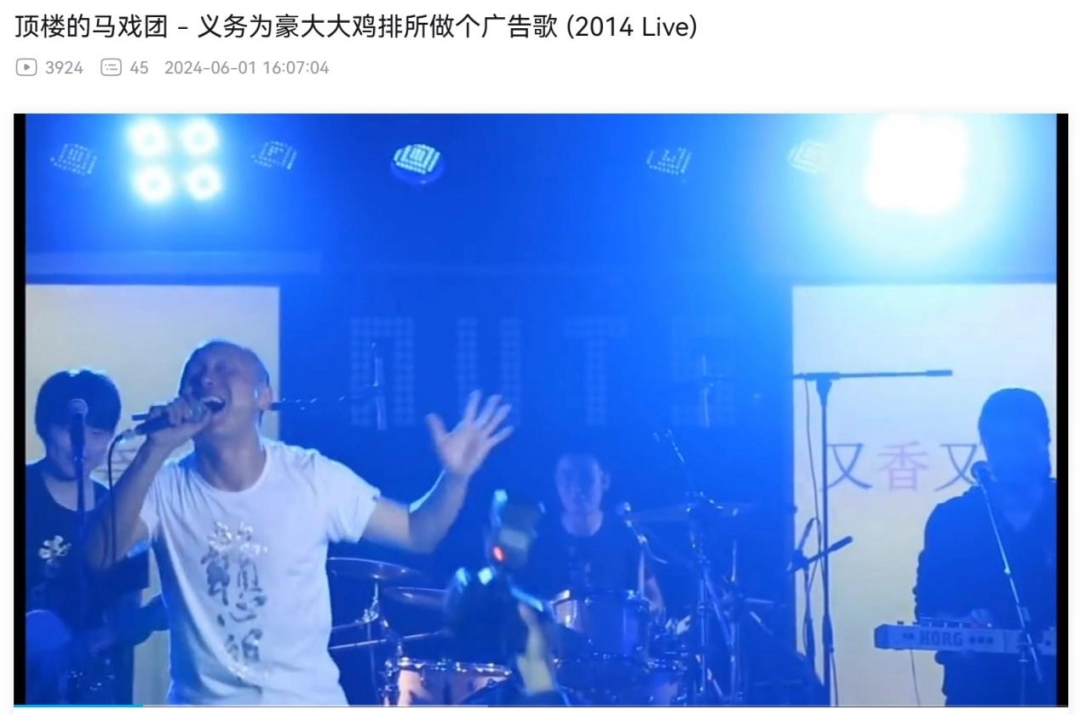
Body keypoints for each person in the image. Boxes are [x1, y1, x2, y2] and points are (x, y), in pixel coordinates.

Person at [86, 340, 514, 705]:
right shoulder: (164, 485)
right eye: (195, 373)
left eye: (224, 369)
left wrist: (455, 477)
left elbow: (418, 532)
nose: (206, 380)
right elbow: (98, 555)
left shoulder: (311, 478)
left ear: (264, 396)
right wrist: (154, 449)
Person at [25, 369, 165, 704]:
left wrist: (134, 624)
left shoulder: (121, 509)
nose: (83, 445)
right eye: (69, 429)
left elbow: (128, 609)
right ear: (43, 426)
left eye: (98, 432)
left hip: (102, 690)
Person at [913, 388, 1058, 706]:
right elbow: (929, 605)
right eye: (1000, 445)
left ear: (1046, 440)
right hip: (978, 689)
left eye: (1022, 443)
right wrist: (960, 623)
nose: (1012, 456)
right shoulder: (952, 519)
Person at [520, 452, 664, 614]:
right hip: (555, 630)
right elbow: (525, 602)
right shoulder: (541, 541)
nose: (576, 488)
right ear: (556, 482)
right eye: (567, 478)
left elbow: (654, 598)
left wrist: (647, 617)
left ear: (604, 481)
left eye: (585, 478)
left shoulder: (626, 537)